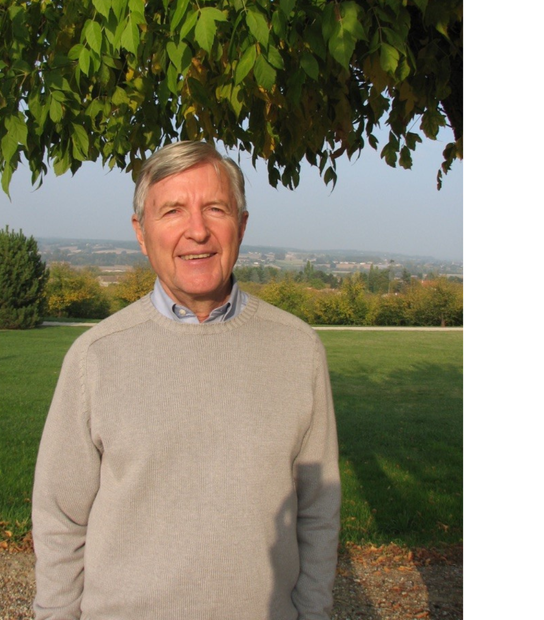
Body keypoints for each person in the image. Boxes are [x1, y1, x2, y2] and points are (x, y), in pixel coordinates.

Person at [32, 141, 340, 620]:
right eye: (172, 211)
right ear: (141, 232)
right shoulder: (96, 357)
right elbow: (59, 517)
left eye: (215, 209)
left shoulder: (299, 351)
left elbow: (318, 513)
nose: (197, 231)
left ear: (241, 224)